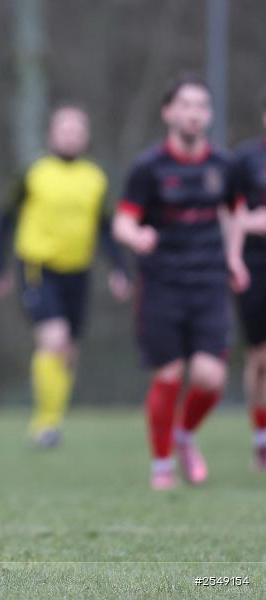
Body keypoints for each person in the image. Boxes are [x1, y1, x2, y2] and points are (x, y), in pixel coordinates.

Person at [113, 73, 246, 490]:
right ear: (168, 112)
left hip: (207, 283)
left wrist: (234, 256)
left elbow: (234, 214)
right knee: (168, 375)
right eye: (185, 105)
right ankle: (162, 465)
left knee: (211, 378)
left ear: (208, 115)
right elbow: (122, 221)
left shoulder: (224, 166)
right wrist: (138, 236)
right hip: (162, 285)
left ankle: (184, 435)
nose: (194, 113)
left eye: (201, 106)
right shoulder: (148, 168)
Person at [0, 104, 130, 447]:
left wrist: (119, 270)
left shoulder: (95, 177)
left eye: (77, 129)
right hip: (38, 267)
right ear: (52, 133)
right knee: (53, 339)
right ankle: (45, 424)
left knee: (68, 352)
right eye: (64, 129)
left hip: (78, 272)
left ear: (86, 136)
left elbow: (106, 227)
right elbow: (5, 220)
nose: (71, 135)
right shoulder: (34, 172)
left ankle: (53, 420)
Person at [227, 86, 266, 471]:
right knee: (259, 359)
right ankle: (260, 437)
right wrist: (233, 257)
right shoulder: (246, 161)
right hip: (255, 264)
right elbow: (230, 214)